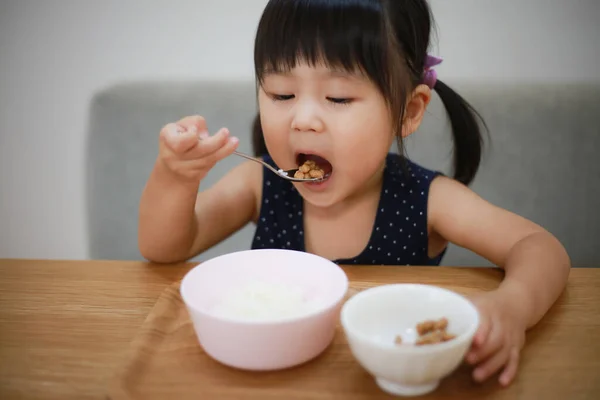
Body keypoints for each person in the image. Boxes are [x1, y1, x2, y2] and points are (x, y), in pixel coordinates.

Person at [138, 0, 570, 388]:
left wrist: (512, 308)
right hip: (277, 379)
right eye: (282, 93)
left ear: (408, 111)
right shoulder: (261, 184)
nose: (303, 119)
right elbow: (166, 248)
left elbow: (539, 248)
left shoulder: (428, 200)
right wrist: (175, 177)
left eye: (339, 97)